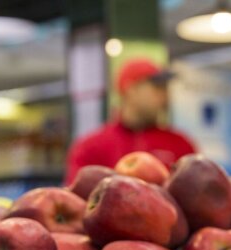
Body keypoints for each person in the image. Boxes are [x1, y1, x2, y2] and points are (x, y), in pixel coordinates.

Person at [64, 58, 196, 183]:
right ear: (131, 89)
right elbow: (78, 199)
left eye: (166, 89)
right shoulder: (91, 148)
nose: (166, 96)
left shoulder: (181, 145)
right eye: (157, 88)